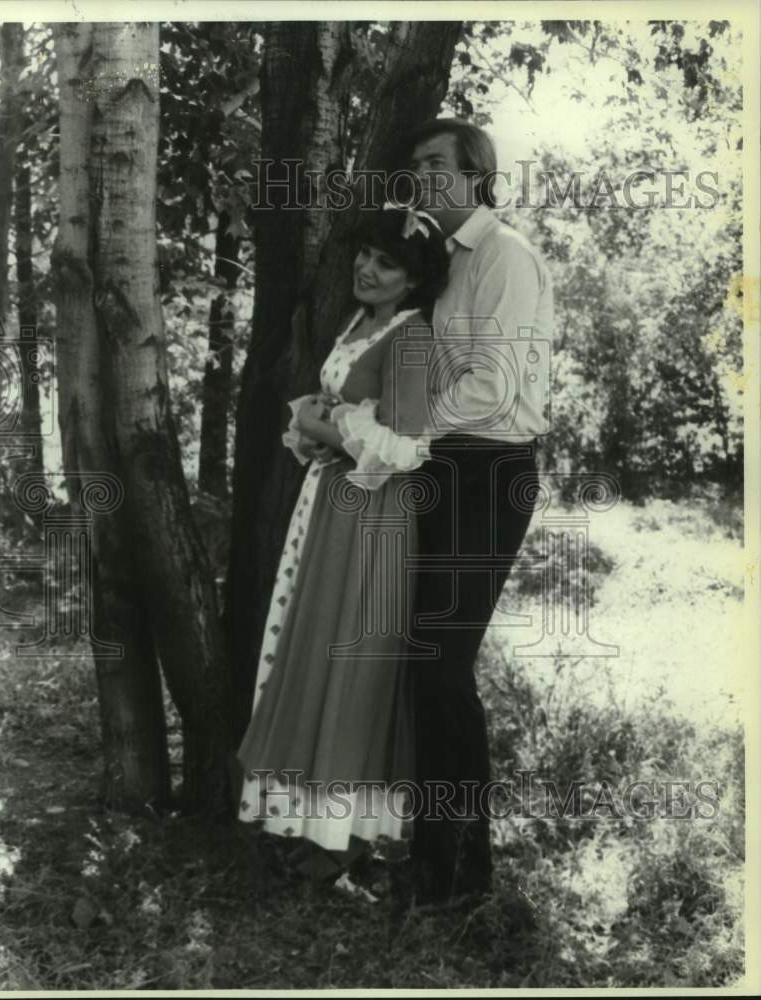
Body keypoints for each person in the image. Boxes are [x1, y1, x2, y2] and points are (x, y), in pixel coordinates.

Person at [234, 204, 450, 892]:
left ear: (413, 281)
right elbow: (345, 417)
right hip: (333, 501)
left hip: (373, 514)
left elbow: (406, 448)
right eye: (364, 254)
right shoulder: (363, 323)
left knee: (349, 661)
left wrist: (317, 425)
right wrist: (315, 424)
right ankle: (308, 828)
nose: (366, 267)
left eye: (386, 263)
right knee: (315, 650)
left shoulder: (412, 339)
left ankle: (342, 841)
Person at [396, 118, 554, 907]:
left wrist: (403, 437)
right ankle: (432, 852)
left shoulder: (506, 257)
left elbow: (491, 387)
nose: (418, 175)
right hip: (443, 465)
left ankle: (462, 869)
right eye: (413, 165)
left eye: (433, 164)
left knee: (441, 661)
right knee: (422, 656)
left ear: (474, 174)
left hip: (491, 471)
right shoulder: (447, 265)